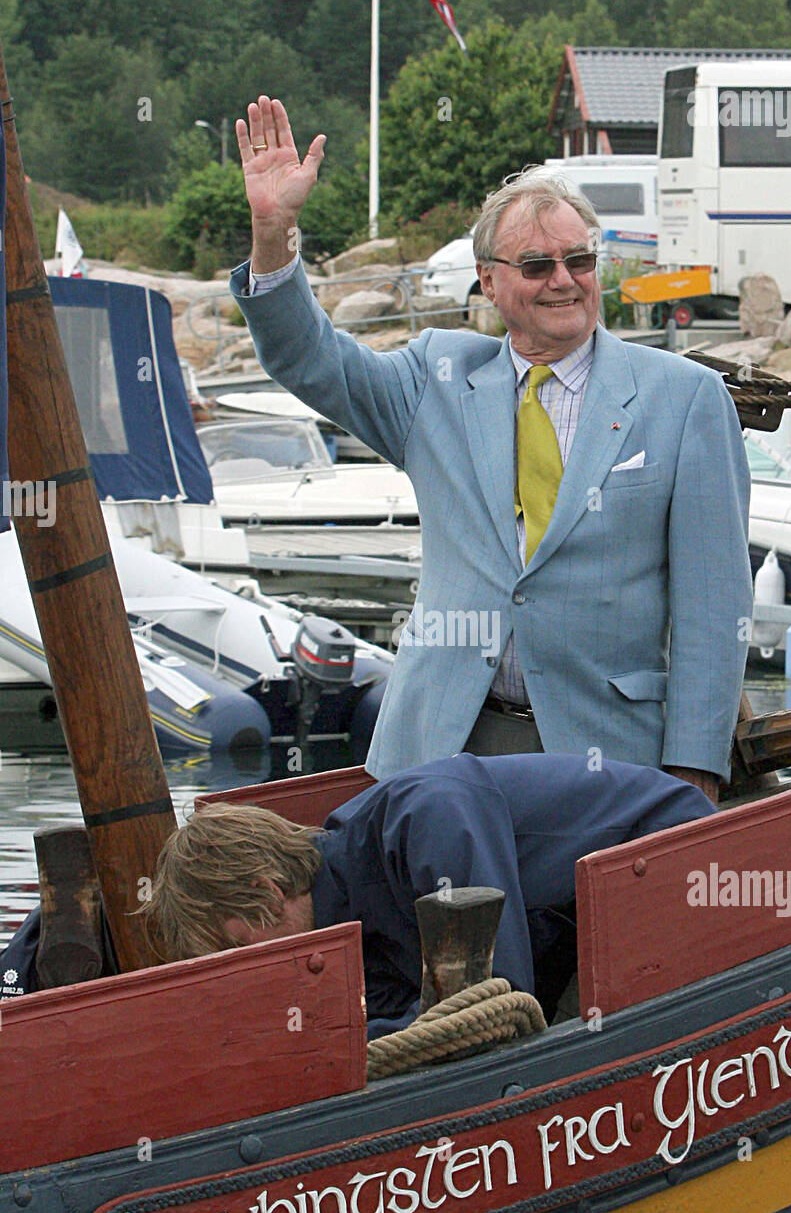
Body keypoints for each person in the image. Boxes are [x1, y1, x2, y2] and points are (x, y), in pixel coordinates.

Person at [230, 98, 752, 803]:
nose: (564, 280)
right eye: (538, 265)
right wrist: (275, 230)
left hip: (607, 757)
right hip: (438, 745)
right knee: (436, 916)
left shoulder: (685, 399)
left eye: (580, 259)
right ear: (488, 278)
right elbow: (309, 358)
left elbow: (713, 613)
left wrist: (693, 774)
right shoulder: (434, 380)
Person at [0, 753, 713, 1034]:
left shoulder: (420, 819)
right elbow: (406, 1026)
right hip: (578, 932)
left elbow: (498, 1006)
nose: (249, 970)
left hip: (672, 873)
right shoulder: (349, 931)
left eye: (233, 946)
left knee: (562, 1051)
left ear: (266, 890)